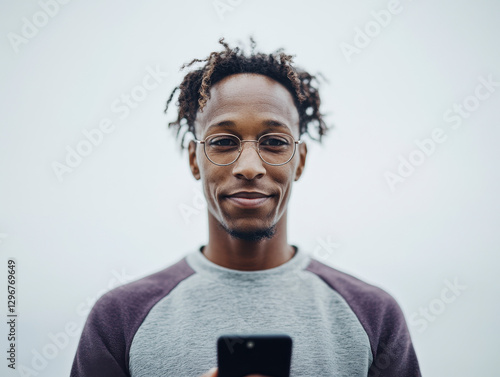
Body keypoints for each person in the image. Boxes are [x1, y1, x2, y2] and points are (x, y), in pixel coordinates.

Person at [70, 37, 421, 377]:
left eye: (274, 142)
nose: (249, 166)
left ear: (299, 161)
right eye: (223, 142)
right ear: (194, 160)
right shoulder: (119, 318)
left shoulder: (373, 314)